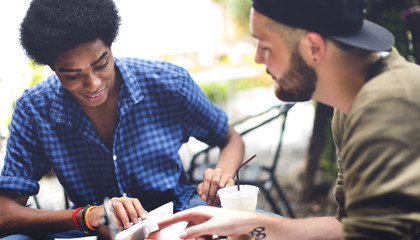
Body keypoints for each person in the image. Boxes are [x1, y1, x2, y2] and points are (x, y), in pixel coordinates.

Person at [158, 0, 420, 239]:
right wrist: (243, 222)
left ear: (314, 48)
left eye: (266, 46)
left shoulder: (386, 104)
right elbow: (348, 225)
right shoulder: (349, 103)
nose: (258, 58)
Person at [0, 0, 245, 239]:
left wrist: (222, 172)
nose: (93, 84)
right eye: (73, 75)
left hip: (177, 210)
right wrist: (87, 216)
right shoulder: (34, 110)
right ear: (52, 68)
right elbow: (5, 215)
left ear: (110, 46)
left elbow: (230, 137)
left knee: (258, 227)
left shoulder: (169, 83)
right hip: (94, 226)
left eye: (101, 64)